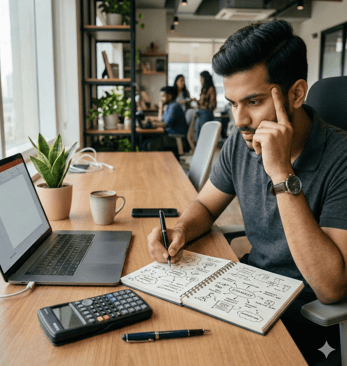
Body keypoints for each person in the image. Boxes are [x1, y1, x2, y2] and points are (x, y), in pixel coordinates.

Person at [147, 19, 347, 365]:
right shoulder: (240, 143)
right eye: (233, 103)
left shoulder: (341, 158)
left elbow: (331, 288)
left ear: (296, 94)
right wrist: (180, 229)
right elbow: (206, 206)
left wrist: (281, 172)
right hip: (251, 294)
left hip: (306, 318)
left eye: (252, 102)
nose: (239, 120)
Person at [142, 86, 188, 153]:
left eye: (163, 96)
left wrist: (151, 123)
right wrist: (151, 120)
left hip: (176, 138)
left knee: (150, 145)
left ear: (169, 96)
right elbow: (162, 120)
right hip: (170, 135)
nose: (161, 99)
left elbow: (165, 124)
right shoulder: (170, 106)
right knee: (146, 142)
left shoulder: (174, 107)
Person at [192, 70, 217, 140]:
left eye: (201, 78)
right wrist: (196, 101)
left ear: (205, 78)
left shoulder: (211, 89)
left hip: (206, 114)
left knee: (204, 136)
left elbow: (212, 105)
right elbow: (202, 102)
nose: (200, 80)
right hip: (201, 113)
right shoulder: (204, 89)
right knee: (198, 135)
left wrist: (202, 104)